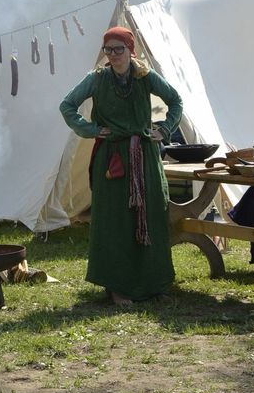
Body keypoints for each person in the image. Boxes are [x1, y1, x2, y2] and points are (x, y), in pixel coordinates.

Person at [59, 26, 183, 304]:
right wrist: (91, 130)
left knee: (151, 215)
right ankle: (117, 287)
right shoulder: (97, 78)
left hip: (145, 156)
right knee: (115, 220)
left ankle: (154, 284)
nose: (113, 54)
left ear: (131, 50)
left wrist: (164, 129)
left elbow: (176, 101)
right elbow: (67, 106)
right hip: (113, 158)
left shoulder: (145, 76)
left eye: (119, 49)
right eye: (109, 49)